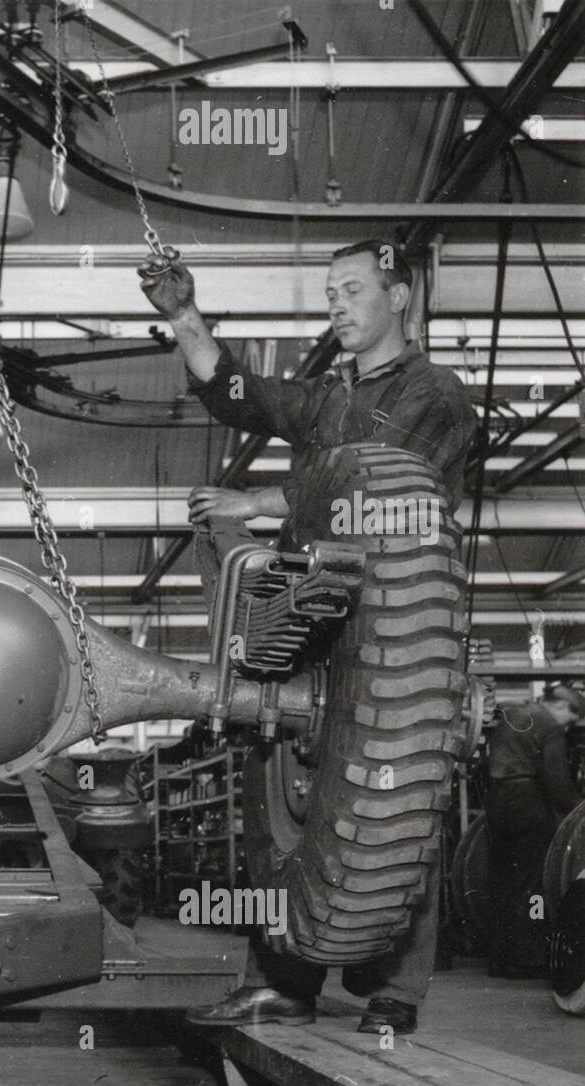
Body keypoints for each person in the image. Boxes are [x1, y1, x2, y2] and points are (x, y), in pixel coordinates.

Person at [139, 240, 479, 1035]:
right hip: (315, 610)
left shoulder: (436, 393)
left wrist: (253, 504)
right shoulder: (328, 394)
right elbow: (240, 395)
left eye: (352, 288)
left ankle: (395, 994)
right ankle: (280, 982)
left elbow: (381, 488)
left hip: (399, 620)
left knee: (399, 791)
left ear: (399, 297)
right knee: (272, 795)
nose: (335, 302)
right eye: (328, 291)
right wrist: (183, 315)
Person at [484, 685, 585, 977]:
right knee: (532, 884)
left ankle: (500, 958)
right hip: (526, 802)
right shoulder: (549, 725)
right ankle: (527, 957)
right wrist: (580, 808)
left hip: (497, 801)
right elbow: (557, 783)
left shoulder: (514, 715)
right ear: (566, 709)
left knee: (502, 879)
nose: (567, 728)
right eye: (571, 721)